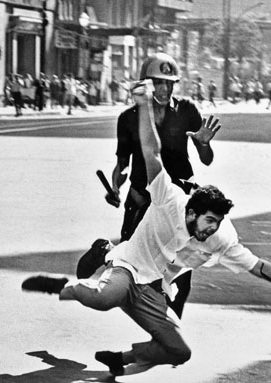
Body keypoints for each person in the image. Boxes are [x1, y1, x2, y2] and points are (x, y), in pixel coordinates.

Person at [22, 78, 271, 376]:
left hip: (155, 286)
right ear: (192, 212)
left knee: (179, 350)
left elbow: (257, 266)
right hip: (130, 267)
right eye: (209, 221)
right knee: (106, 297)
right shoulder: (171, 199)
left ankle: (121, 358)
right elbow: (150, 152)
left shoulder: (220, 237)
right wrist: (142, 104)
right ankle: (62, 283)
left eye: (217, 224)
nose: (211, 230)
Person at [76, 53, 216, 319]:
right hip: (143, 198)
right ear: (145, 84)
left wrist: (204, 143)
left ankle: (170, 328)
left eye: (170, 83)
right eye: (158, 83)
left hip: (179, 202)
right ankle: (103, 250)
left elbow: (206, 159)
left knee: (181, 271)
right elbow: (122, 164)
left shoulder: (187, 111)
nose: (164, 89)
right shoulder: (129, 118)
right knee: (128, 264)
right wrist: (115, 186)